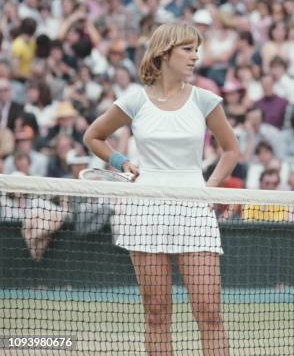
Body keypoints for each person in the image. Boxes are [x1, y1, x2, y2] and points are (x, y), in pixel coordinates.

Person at [83, 22, 239, 355]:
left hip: (194, 206)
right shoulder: (136, 100)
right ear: (164, 52)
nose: (195, 56)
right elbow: (93, 137)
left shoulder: (205, 100)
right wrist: (122, 160)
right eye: (187, 49)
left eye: (196, 49)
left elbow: (231, 149)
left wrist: (210, 189)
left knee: (210, 314)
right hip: (146, 208)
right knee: (156, 315)